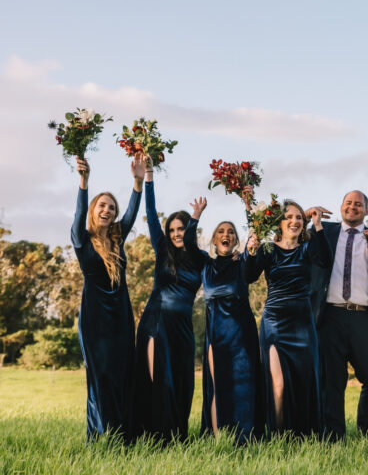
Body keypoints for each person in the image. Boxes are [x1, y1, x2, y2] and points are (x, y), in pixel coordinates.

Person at [306, 191, 368, 441]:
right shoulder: (323, 231)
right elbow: (288, 230)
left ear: (367, 211)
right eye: (348, 203)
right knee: (331, 381)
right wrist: (305, 213)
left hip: (365, 316)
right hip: (329, 315)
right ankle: (333, 438)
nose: (353, 207)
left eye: (358, 204)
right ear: (341, 207)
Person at [71, 154, 144, 440]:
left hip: (121, 317)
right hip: (94, 319)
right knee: (99, 375)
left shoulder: (117, 238)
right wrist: (84, 181)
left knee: (122, 373)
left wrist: (138, 182)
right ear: (94, 210)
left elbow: (132, 213)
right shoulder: (81, 238)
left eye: (111, 207)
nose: (108, 210)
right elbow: (79, 213)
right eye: (102, 205)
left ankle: (123, 434)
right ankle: (100, 436)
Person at [184, 193, 265, 443]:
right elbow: (188, 243)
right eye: (221, 231)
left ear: (236, 240)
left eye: (230, 232)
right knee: (217, 384)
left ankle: (245, 436)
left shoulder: (242, 263)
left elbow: (254, 250)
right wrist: (196, 215)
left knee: (243, 384)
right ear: (214, 239)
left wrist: (249, 207)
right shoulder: (205, 264)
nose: (225, 235)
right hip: (216, 334)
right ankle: (218, 438)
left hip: (241, 333)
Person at [246, 200, 332, 437]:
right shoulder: (268, 249)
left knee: (304, 381)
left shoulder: (307, 248)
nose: (294, 221)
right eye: (288, 217)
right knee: (278, 384)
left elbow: (326, 260)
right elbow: (249, 276)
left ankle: (304, 436)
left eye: (298, 218)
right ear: (280, 223)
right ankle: (277, 436)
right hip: (274, 323)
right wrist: (250, 251)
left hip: (303, 324)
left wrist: (317, 225)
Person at [132, 158, 203, 441]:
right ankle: (152, 436)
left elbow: (224, 268)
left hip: (183, 328)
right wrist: (149, 177)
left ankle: (176, 436)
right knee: (156, 378)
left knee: (181, 382)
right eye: (172, 229)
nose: (176, 234)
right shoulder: (162, 250)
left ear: (189, 229)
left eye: (180, 228)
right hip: (156, 321)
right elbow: (150, 214)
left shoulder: (200, 259)